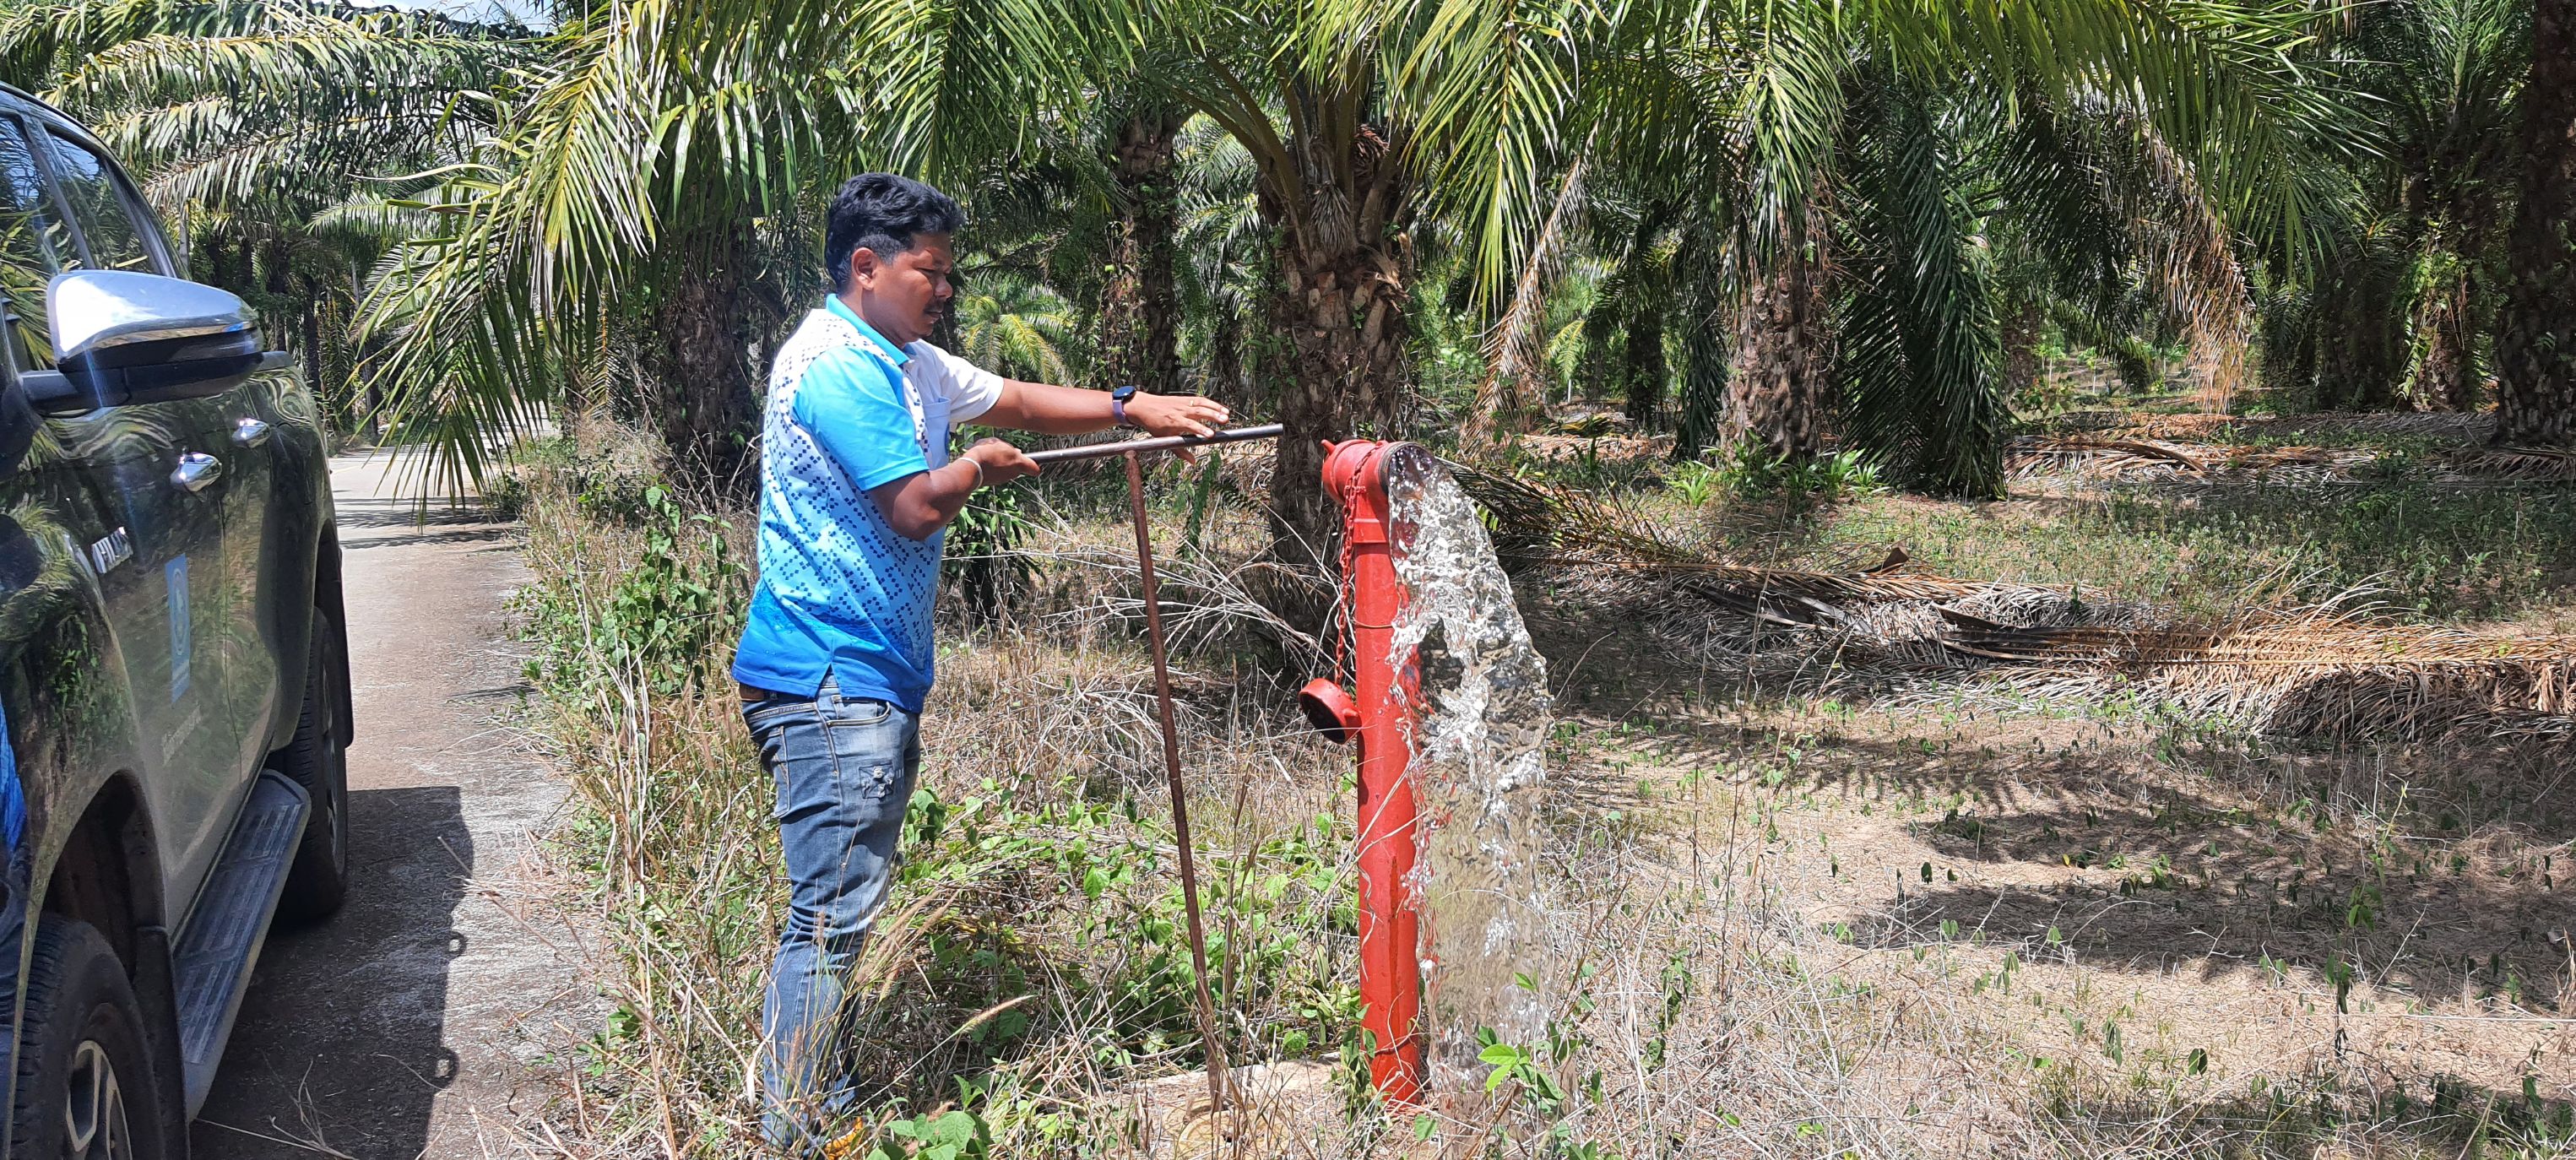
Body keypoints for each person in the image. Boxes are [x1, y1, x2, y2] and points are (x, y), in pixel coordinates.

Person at [731, 172, 1229, 1152]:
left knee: (840, 913)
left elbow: (1019, 396)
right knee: (827, 922)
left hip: (864, 679)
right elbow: (915, 504)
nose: (945, 290)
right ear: (865, 267)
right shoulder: (837, 363)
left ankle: (822, 1101)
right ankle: (793, 1128)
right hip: (831, 681)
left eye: (949, 274)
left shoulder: (906, 359)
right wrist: (977, 467)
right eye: (930, 271)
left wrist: (1133, 406)